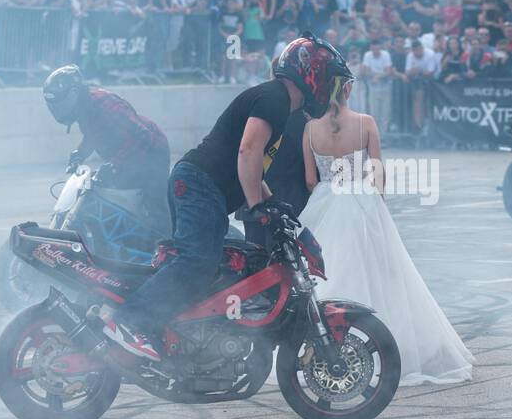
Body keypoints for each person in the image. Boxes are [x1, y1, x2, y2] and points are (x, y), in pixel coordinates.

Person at [106, 33, 351, 360]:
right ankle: (130, 321)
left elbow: (255, 164)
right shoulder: (275, 98)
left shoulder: (279, 103)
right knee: (197, 261)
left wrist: (271, 203)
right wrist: (257, 206)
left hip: (201, 187)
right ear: (312, 74)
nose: (331, 90)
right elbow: (248, 150)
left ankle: (182, 335)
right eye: (329, 80)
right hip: (198, 184)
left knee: (229, 260)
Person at [299, 75, 473, 385]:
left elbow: (311, 181)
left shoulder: (310, 128)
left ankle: (323, 342)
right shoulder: (366, 123)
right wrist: (377, 209)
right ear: (350, 88)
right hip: (362, 202)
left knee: (324, 270)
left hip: (325, 201)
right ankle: (387, 343)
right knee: (384, 275)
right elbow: (378, 174)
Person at [42, 65, 172, 236]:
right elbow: (94, 136)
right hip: (125, 156)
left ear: (73, 93)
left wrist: (114, 164)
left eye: (60, 103)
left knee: (154, 201)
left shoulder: (105, 104)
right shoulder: (83, 109)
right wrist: (79, 154)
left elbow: (142, 136)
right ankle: (115, 242)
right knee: (101, 195)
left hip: (151, 152)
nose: (58, 109)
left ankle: (168, 244)